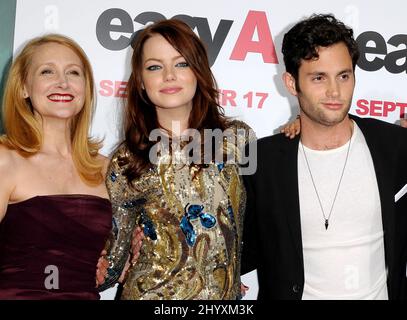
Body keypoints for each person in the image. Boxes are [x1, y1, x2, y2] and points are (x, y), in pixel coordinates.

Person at [241, 14, 407, 300]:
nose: (334, 91)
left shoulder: (394, 146)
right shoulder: (262, 160)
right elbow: (238, 244)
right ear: (292, 84)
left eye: (344, 76)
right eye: (319, 78)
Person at [97, 19, 255, 300]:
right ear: (142, 83)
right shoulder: (126, 160)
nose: (169, 75)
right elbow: (112, 262)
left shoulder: (238, 140)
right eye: (154, 67)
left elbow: (267, 219)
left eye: (181, 64)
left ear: (199, 72)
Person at [0, 34, 112, 299]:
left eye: (73, 72)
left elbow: (113, 260)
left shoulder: (106, 169)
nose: (63, 82)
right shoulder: (5, 159)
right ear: (24, 88)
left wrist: (114, 263)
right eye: (47, 71)